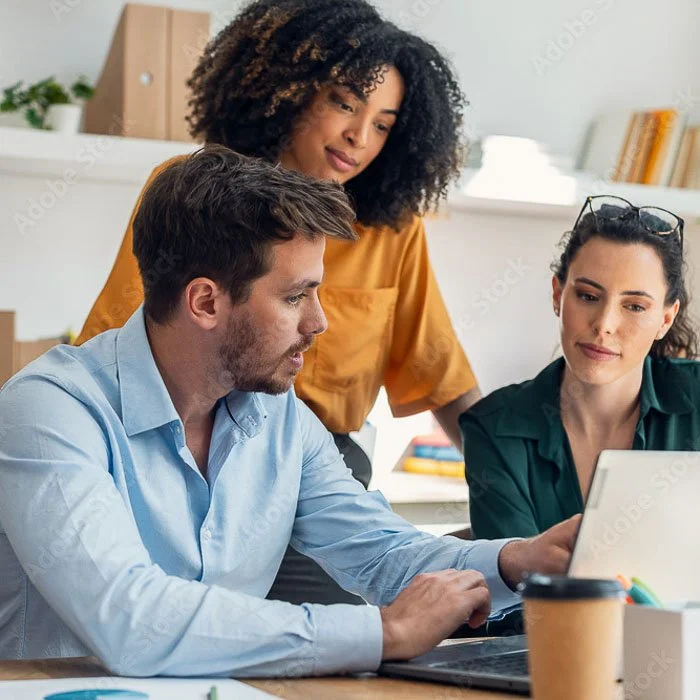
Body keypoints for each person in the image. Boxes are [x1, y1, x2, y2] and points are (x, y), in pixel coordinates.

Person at [0, 148, 578, 676]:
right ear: (206, 301)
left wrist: (515, 561)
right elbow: (129, 617)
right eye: (295, 296)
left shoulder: (279, 419)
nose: (319, 322)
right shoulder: (50, 411)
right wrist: (382, 631)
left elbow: (382, 551)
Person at [74, 0, 484, 605]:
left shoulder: (393, 231)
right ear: (285, 90)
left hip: (321, 475)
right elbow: (117, 343)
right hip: (188, 456)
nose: (358, 137)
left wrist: (518, 482)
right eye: (344, 103)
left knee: (327, 660)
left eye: (383, 123)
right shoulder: (196, 197)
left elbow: (443, 377)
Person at [460, 195, 700, 540]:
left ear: (665, 319)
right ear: (558, 295)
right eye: (588, 296)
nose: (604, 324)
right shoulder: (492, 428)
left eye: (634, 306)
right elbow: (514, 582)